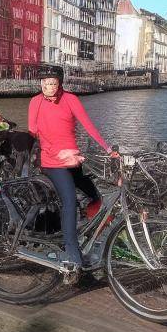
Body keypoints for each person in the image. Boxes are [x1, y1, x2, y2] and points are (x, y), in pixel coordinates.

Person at [28, 65, 115, 269]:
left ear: (60, 84)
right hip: (52, 161)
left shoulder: (70, 99)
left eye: (53, 84)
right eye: (46, 84)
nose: (49, 88)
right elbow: (34, 133)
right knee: (69, 202)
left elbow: (88, 125)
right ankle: (72, 253)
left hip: (73, 159)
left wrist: (109, 149)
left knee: (95, 196)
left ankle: (92, 235)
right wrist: (52, 152)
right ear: (41, 84)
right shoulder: (35, 103)